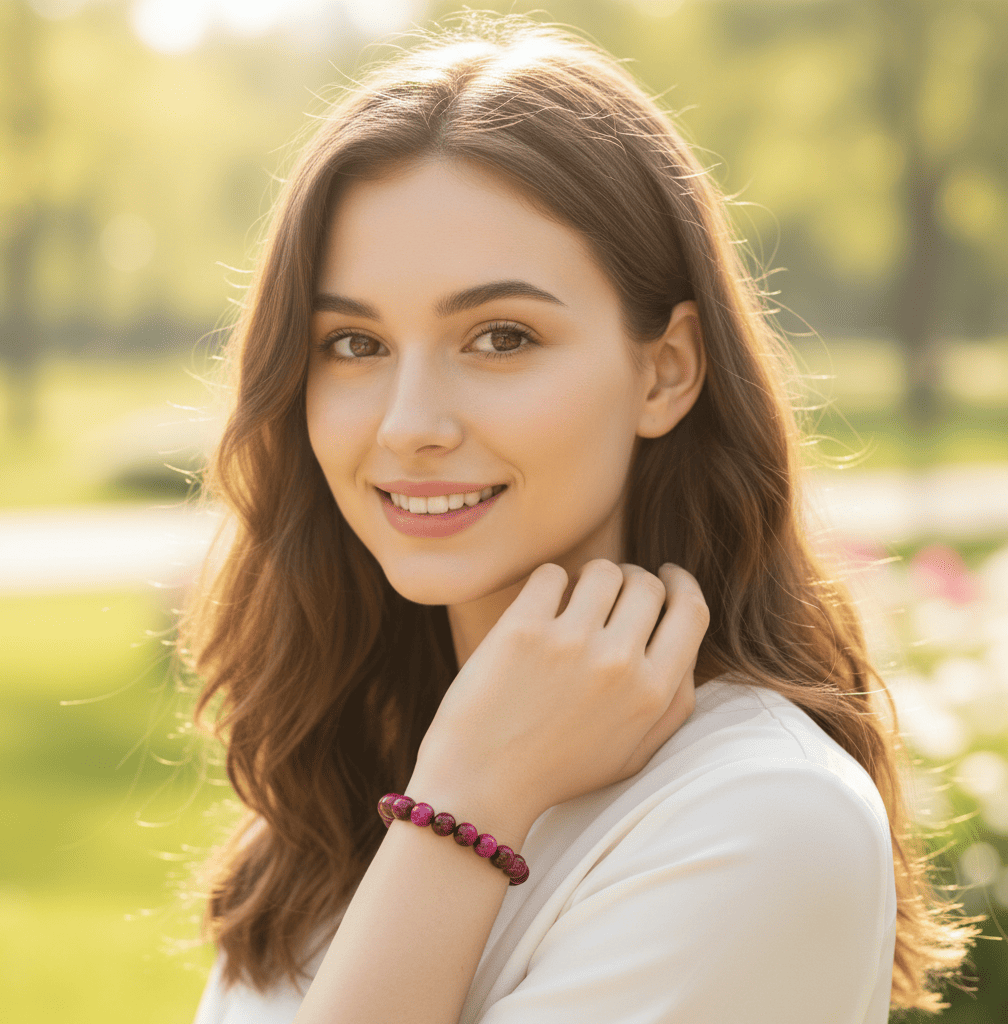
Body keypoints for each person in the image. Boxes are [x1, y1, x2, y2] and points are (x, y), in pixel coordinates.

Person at [182, 14, 978, 1024]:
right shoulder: (352, 775)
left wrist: (465, 805)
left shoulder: (763, 818)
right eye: (353, 343)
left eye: (501, 337)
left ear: (665, 369)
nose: (409, 424)